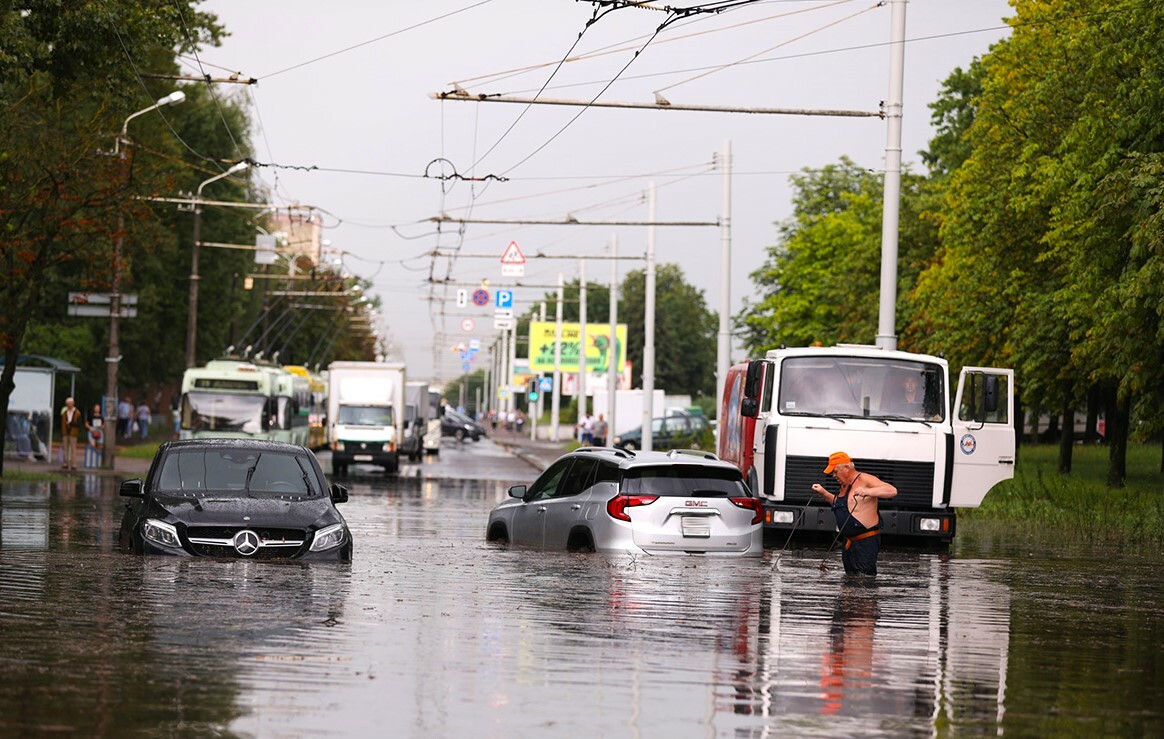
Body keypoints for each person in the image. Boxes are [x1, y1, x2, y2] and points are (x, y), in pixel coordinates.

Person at [811, 451, 897, 576]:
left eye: (835, 471)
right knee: (850, 580)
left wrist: (868, 491)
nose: (834, 475)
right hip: (848, 543)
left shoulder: (864, 479)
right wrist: (823, 492)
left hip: (866, 542)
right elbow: (841, 505)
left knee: (864, 580)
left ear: (846, 467)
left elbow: (892, 491)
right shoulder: (844, 486)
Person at [60, 397, 84, 470]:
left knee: (73, 449)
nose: (69, 404)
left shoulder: (77, 413)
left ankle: (74, 464)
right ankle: (65, 463)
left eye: (71, 403)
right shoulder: (64, 413)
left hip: (73, 432)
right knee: (65, 448)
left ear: (73, 403)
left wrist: (71, 423)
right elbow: (62, 423)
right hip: (65, 432)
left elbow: (79, 424)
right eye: (68, 403)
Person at [85, 403, 104, 468]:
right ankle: (92, 461)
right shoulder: (91, 416)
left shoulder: (101, 417)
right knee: (92, 445)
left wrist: (102, 427)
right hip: (92, 430)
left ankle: (98, 462)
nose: (97, 409)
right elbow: (86, 424)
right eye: (96, 408)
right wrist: (90, 428)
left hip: (99, 431)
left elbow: (104, 425)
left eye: (98, 408)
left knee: (99, 446)